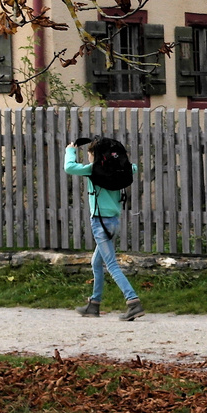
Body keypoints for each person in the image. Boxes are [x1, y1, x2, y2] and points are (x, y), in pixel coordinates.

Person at [64, 136, 144, 320]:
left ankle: (133, 302)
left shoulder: (93, 170)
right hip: (114, 221)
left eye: (90, 154)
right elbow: (134, 167)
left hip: (100, 223)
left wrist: (71, 150)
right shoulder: (120, 170)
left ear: (95, 155)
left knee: (111, 264)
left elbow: (69, 167)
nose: (89, 157)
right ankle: (94, 304)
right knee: (96, 262)